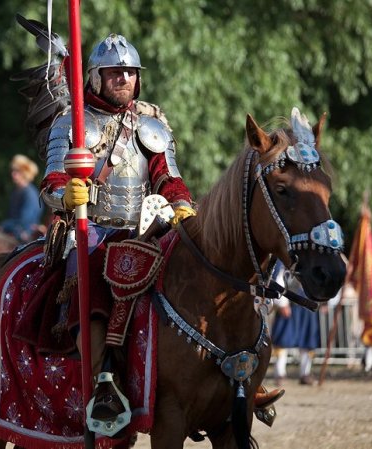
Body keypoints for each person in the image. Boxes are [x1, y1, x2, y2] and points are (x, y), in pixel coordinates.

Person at [39, 34, 282, 428]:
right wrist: (68, 195)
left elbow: (169, 179)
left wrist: (182, 204)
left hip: (147, 230)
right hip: (93, 232)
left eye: (130, 73)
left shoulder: (151, 126)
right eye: (114, 72)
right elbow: (50, 184)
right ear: (96, 77)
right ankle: (104, 382)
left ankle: (239, 376)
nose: (124, 79)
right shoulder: (72, 124)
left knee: (205, 279)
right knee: (96, 286)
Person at [271, 262, 320, 386]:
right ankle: (280, 374)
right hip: (289, 304)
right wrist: (282, 303)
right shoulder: (286, 255)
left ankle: (305, 373)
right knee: (283, 340)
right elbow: (279, 277)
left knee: (308, 341)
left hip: (307, 305)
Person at [0, 154, 43, 243]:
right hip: (14, 232)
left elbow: (24, 221)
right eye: (13, 171)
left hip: (26, 236)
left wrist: (4, 225)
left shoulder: (30, 194)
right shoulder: (16, 191)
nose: (13, 174)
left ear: (24, 173)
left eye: (17, 171)